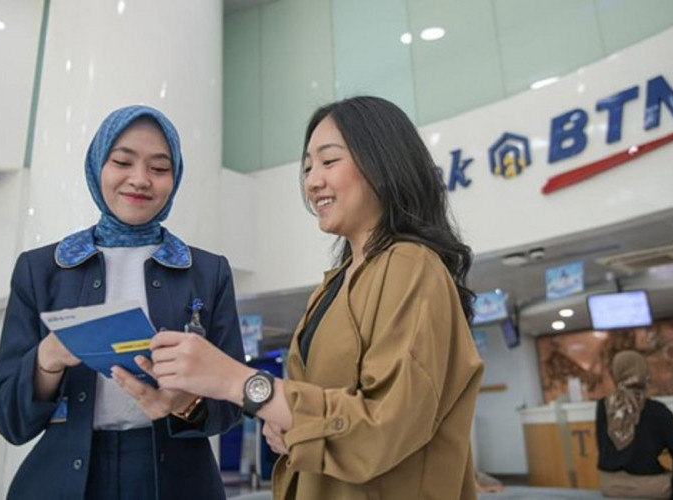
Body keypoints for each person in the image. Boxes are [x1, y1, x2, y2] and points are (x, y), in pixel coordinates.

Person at [127, 95, 484, 499]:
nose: (312, 182)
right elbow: (325, 414)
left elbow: (384, 428)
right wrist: (286, 426)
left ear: (384, 163)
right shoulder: (334, 285)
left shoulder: (410, 264)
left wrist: (237, 381)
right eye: (308, 167)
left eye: (329, 161)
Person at [0, 105, 245, 499]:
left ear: (175, 177)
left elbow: (234, 403)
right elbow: (8, 419)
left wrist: (186, 403)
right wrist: (47, 359)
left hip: (177, 482)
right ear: (97, 166)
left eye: (159, 168)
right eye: (122, 162)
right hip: (62, 482)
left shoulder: (207, 272)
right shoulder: (42, 269)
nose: (140, 179)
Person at [595, 350, 673, 499]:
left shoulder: (602, 407)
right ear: (643, 372)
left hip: (610, 486)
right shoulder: (658, 410)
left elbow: (602, 448)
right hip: (649, 488)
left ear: (615, 374)